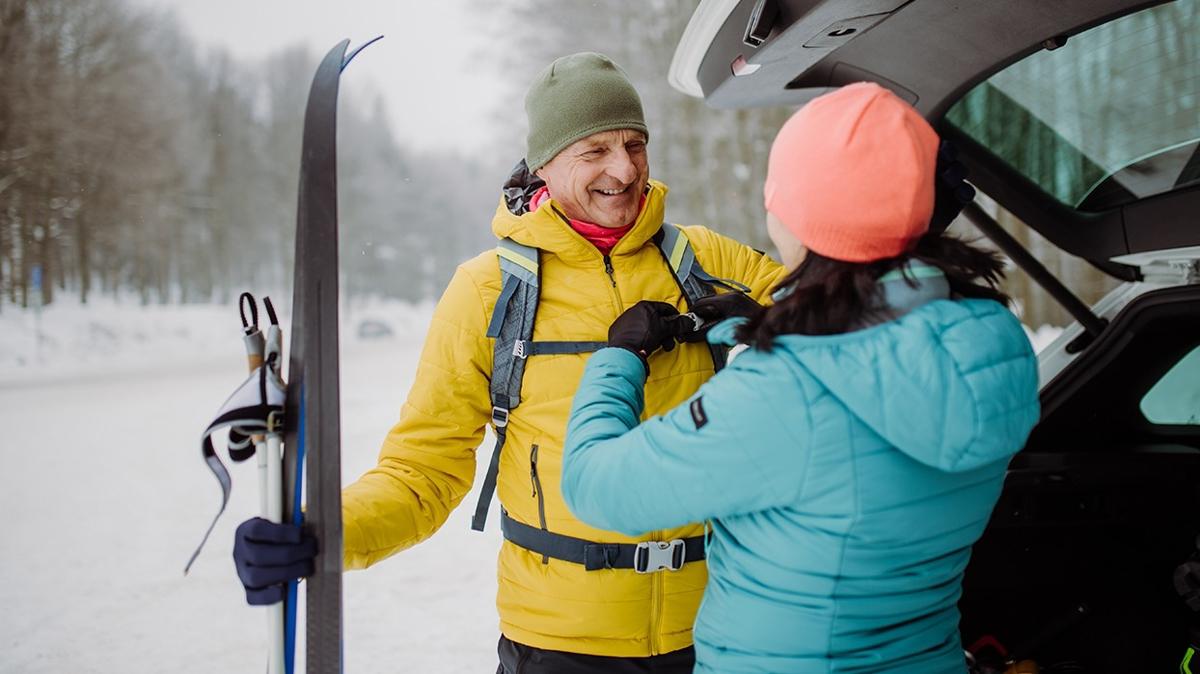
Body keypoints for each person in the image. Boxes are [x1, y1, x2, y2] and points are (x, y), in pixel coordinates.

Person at [232, 52, 786, 672]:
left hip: (719, 627)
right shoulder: (489, 290)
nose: (625, 168)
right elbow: (424, 470)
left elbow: (845, 328)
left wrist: (773, 320)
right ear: (546, 164)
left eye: (635, 144)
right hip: (558, 642)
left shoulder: (708, 260)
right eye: (595, 150)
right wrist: (322, 534)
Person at [560, 82, 1041, 673]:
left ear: (800, 209)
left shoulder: (785, 395)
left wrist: (619, 360)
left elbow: (594, 485)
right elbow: (861, 398)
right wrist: (772, 327)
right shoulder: (987, 341)